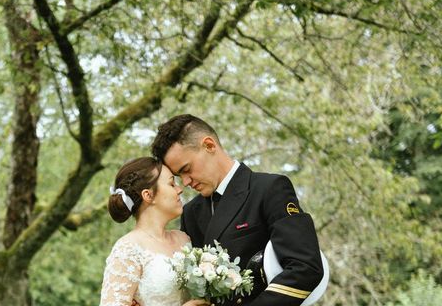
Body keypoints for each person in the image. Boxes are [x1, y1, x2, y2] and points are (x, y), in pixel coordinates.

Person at [151, 114, 324, 306]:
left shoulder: (269, 188)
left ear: (209, 145)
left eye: (186, 169)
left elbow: (305, 268)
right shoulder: (192, 212)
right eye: (178, 175)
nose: (185, 182)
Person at [99, 156, 210, 306]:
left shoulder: (184, 239)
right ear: (148, 195)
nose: (179, 189)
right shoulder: (128, 249)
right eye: (171, 184)